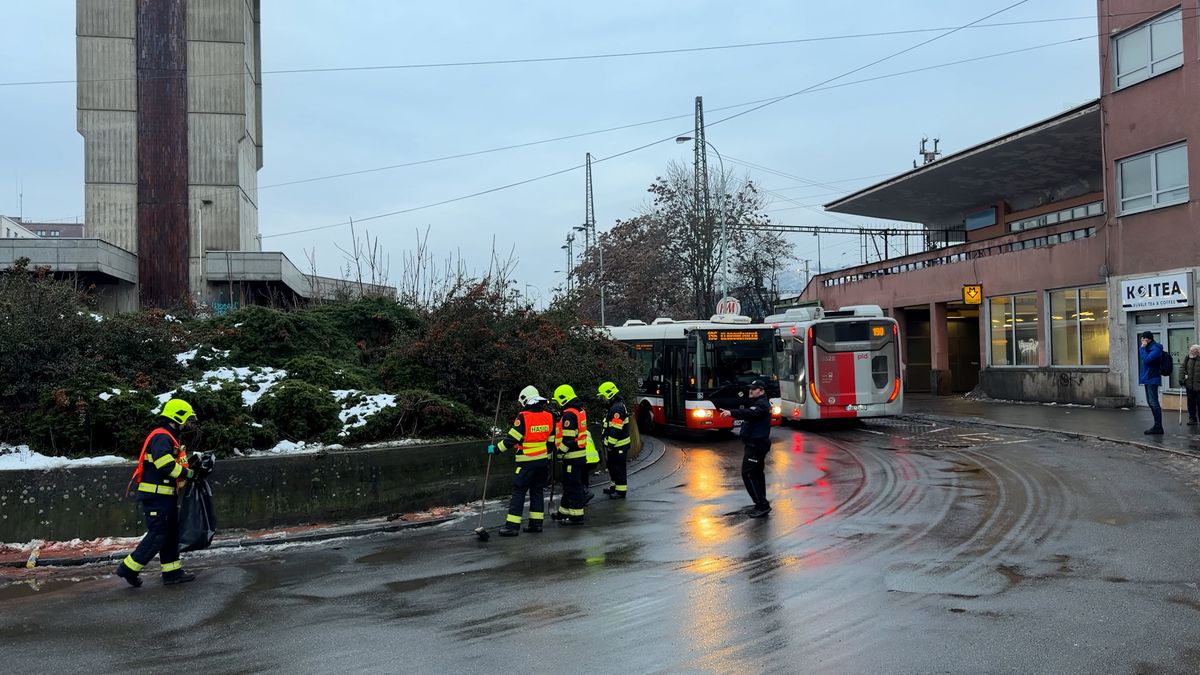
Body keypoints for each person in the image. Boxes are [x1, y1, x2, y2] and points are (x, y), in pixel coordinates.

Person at [116, 398, 207, 587]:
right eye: (187, 419)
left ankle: (172, 572)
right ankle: (128, 569)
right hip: (157, 496)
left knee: (170, 534)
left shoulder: (168, 436)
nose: (188, 424)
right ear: (178, 417)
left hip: (164, 496)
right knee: (158, 534)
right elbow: (164, 464)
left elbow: (170, 462)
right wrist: (188, 473)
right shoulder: (161, 436)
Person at [491, 385, 554, 536]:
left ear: (526, 400)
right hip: (542, 462)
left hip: (526, 462)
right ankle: (536, 524)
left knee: (519, 492)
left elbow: (512, 439)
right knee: (537, 492)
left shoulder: (523, 417)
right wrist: (547, 456)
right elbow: (551, 441)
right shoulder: (549, 416)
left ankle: (512, 527)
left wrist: (495, 449)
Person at [719, 380, 773, 518]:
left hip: (756, 445)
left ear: (761, 390)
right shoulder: (759, 403)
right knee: (757, 473)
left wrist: (730, 412)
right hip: (756, 444)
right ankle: (761, 503)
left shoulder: (761, 405)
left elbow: (748, 413)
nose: (750, 391)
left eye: (753, 389)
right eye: (750, 388)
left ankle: (762, 504)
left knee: (748, 474)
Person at [550, 384, 589, 525]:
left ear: (563, 398)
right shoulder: (579, 410)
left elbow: (568, 439)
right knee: (569, 485)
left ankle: (576, 516)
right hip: (578, 455)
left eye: (558, 400)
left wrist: (560, 453)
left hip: (572, 456)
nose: (557, 403)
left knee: (573, 486)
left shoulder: (569, 414)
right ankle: (563, 512)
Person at [598, 381, 631, 499]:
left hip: (619, 446)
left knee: (619, 468)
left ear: (609, 395)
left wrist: (610, 444)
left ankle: (621, 491)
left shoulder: (617, 409)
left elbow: (616, 430)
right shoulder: (614, 407)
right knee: (612, 466)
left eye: (602, 396)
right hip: (615, 445)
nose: (602, 399)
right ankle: (614, 487)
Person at [1138, 331, 1164, 435]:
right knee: (1150, 402)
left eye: (1142, 339)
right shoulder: (1149, 348)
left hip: (1152, 378)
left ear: (1147, 339)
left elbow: (1147, 360)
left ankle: (1158, 426)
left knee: (1154, 402)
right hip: (1148, 378)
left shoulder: (1156, 349)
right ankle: (1156, 425)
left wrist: (1143, 348)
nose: (1141, 341)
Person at [1179, 344, 1200, 426]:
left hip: (1199, 386)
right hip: (1189, 385)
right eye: (1190, 350)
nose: (1190, 352)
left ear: (1197, 351)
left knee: (1199, 403)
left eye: (1192, 351)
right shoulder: (1188, 358)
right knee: (1190, 403)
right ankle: (1192, 419)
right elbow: (1182, 368)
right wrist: (1181, 379)